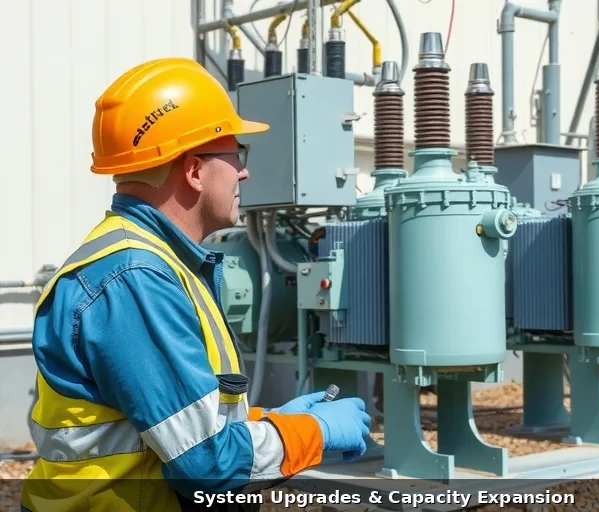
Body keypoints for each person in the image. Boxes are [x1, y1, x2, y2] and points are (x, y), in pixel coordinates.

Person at [20, 57, 371, 512]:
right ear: (193, 170)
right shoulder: (136, 279)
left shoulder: (151, 263)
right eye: (235, 155)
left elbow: (175, 419)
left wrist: (274, 421)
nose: (244, 172)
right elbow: (207, 465)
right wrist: (313, 433)